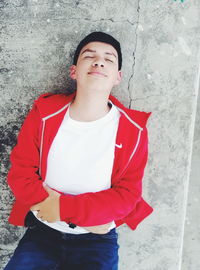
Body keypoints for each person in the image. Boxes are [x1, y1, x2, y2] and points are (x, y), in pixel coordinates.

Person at [4, 31, 153, 270]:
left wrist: (63, 209)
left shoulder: (133, 130)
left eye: (109, 58)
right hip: (44, 231)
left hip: (97, 240)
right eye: (89, 55)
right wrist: (67, 215)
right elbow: (21, 174)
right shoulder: (44, 113)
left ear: (118, 76)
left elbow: (127, 194)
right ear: (74, 71)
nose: (99, 61)